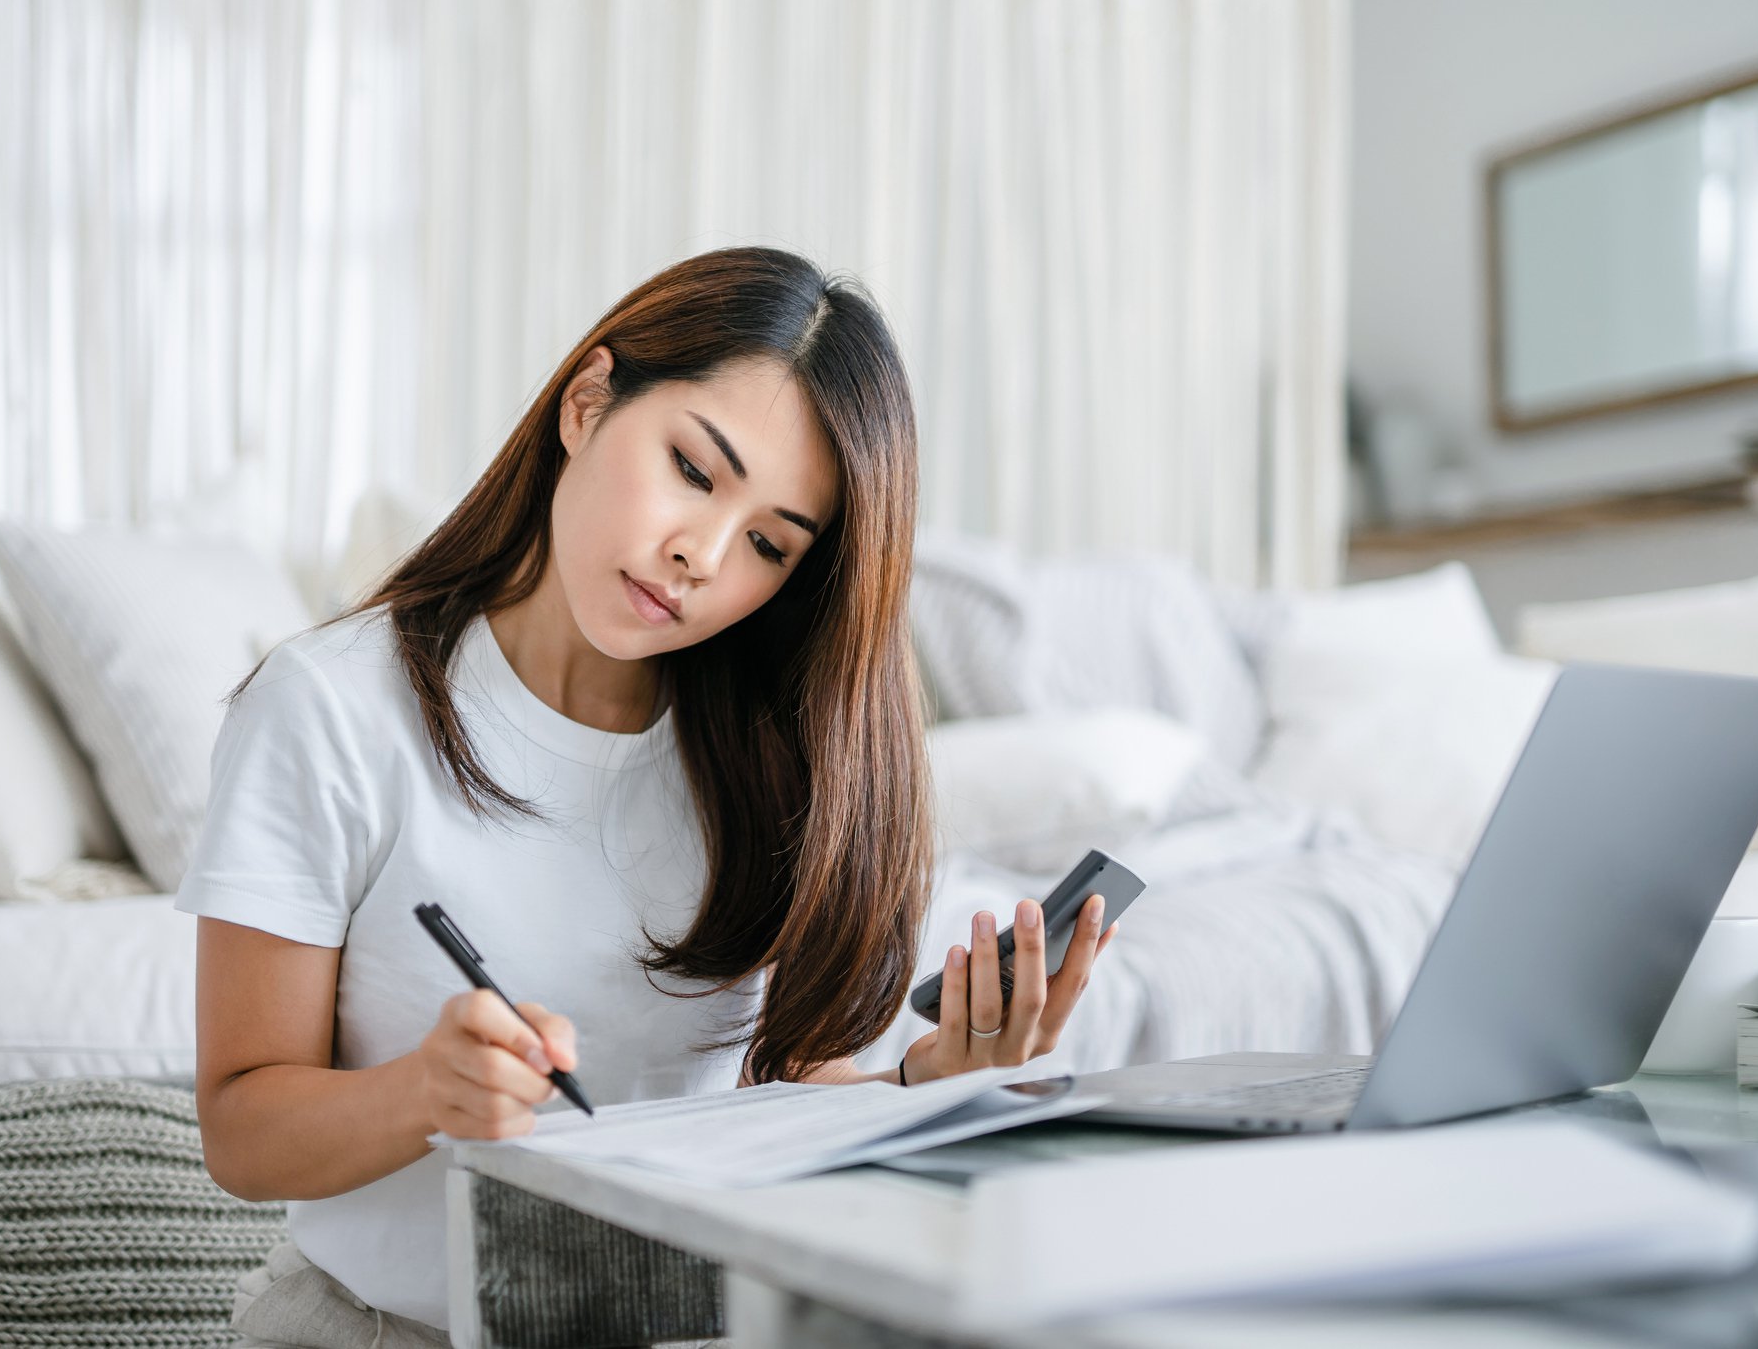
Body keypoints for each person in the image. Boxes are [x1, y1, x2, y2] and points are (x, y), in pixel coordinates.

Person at [174, 246, 1121, 1346]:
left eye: (769, 542)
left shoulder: (769, 752)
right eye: (693, 469)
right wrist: (421, 1094)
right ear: (587, 402)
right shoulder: (331, 708)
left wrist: (926, 1084)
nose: (700, 555)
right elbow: (241, 1128)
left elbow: (776, 1087)